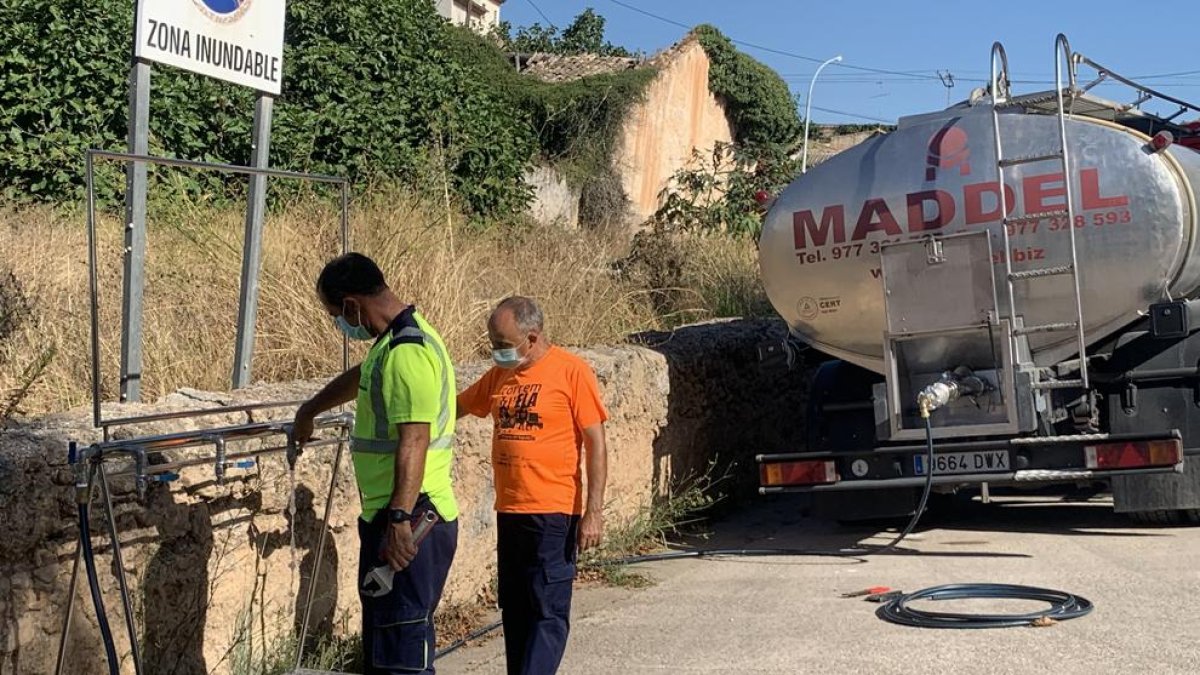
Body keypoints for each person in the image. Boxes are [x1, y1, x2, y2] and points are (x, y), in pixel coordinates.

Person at [293, 252, 458, 675]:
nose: (340, 324)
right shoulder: (396, 342)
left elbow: (414, 439)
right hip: (399, 514)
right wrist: (309, 410)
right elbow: (361, 377)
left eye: (336, 315)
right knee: (391, 646)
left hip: (410, 519)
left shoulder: (407, 353)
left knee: (401, 654)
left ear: (351, 305)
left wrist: (400, 521)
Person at [457, 296, 609, 675]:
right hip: (510, 511)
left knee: (547, 612)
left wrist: (593, 511)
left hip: (553, 513)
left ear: (533, 336)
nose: (496, 352)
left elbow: (596, 442)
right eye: (492, 344)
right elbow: (454, 407)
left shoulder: (572, 373)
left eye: (503, 345)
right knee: (516, 610)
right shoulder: (499, 375)